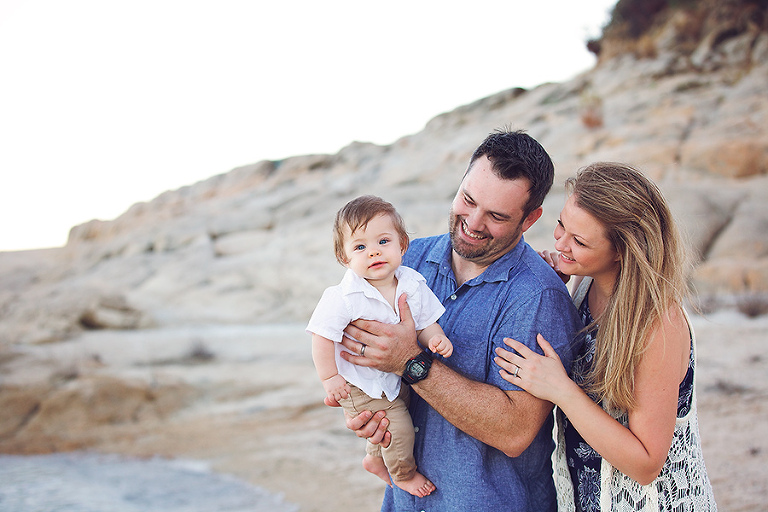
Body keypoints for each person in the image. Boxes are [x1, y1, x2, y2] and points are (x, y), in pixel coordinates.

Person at [332, 129, 583, 511]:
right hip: (404, 502)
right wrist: (369, 412)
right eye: (468, 199)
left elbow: (515, 430)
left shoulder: (537, 297)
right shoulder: (407, 259)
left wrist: (411, 362)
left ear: (530, 219)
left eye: (497, 216)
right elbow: (355, 343)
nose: (474, 222)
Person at [494, 162, 717, 511]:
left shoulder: (658, 323)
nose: (561, 243)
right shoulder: (585, 284)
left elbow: (646, 464)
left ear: (623, 251)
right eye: (561, 225)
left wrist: (561, 390)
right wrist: (556, 280)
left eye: (579, 241)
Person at [306, 195, 454, 498]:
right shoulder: (343, 296)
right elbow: (321, 336)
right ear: (344, 257)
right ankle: (403, 474)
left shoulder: (412, 283)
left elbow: (425, 323)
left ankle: (374, 459)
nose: (373, 251)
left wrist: (436, 338)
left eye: (383, 241)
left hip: (392, 377)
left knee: (396, 411)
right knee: (397, 426)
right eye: (360, 247)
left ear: (402, 245)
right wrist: (330, 378)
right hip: (357, 382)